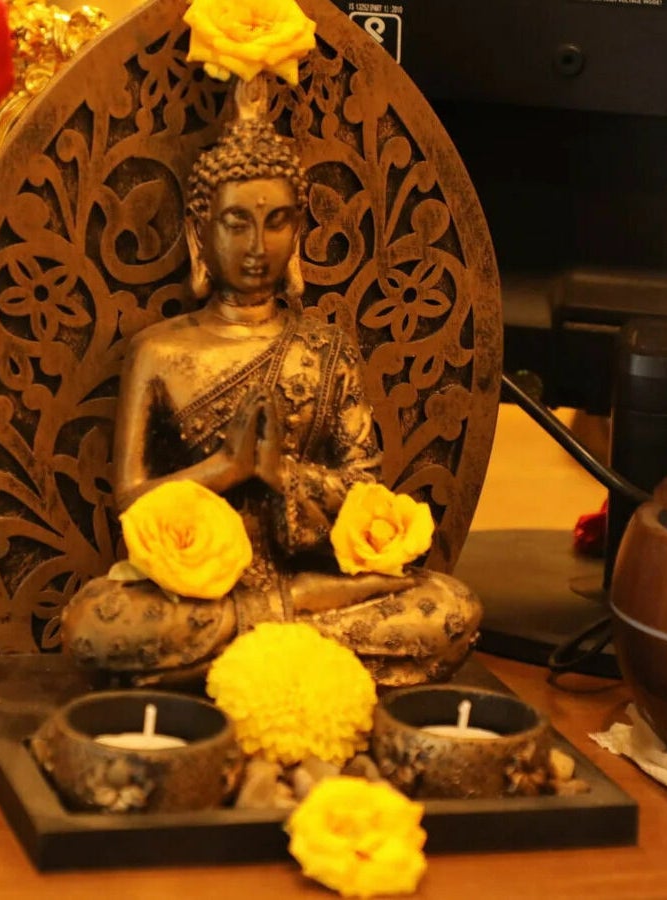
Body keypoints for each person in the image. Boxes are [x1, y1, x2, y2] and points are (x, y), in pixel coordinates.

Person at [61, 114, 480, 686]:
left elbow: (364, 489)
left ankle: (223, 660)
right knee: (97, 621)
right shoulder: (158, 351)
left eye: (276, 222)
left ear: (299, 232)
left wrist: (281, 472)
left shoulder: (327, 347)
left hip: (309, 578)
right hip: (197, 593)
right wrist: (225, 469)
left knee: (449, 610)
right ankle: (292, 640)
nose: (257, 247)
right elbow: (132, 500)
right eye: (236, 223)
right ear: (199, 231)